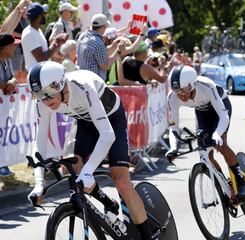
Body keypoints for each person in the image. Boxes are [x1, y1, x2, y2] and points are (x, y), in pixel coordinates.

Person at [27, 61, 155, 239]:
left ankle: (147, 236)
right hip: (86, 124)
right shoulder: (44, 102)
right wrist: (38, 184)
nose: (46, 101)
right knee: (69, 167)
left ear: (62, 85)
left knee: (122, 182)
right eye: (40, 96)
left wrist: (88, 171)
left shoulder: (83, 87)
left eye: (48, 95)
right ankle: (107, 202)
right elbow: (39, 145)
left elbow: (107, 134)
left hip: (111, 122)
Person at [165, 65, 245, 203]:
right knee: (205, 153)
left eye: (181, 90)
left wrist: (217, 134)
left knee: (220, 144)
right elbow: (173, 128)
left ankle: (242, 183)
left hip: (220, 108)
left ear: (192, 85)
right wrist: (173, 147)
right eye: (175, 90)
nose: (179, 94)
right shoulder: (172, 97)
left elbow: (224, 116)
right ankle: (227, 184)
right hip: (202, 111)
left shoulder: (206, 86)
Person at [0, 33, 22, 178]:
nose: (15, 48)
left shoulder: (6, 61)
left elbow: (13, 77)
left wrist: (12, 82)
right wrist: (5, 86)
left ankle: (3, 163)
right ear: (6, 47)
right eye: (13, 45)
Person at [76, 13, 122, 81]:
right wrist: (118, 51)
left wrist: (112, 46)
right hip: (94, 82)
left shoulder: (83, 35)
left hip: (82, 78)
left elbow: (96, 53)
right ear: (103, 27)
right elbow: (105, 66)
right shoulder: (98, 42)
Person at [21, 2, 65, 72]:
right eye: (44, 14)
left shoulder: (37, 30)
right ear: (39, 17)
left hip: (41, 75)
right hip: (37, 77)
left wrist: (58, 42)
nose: (46, 15)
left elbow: (45, 53)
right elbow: (41, 58)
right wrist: (56, 43)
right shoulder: (30, 33)